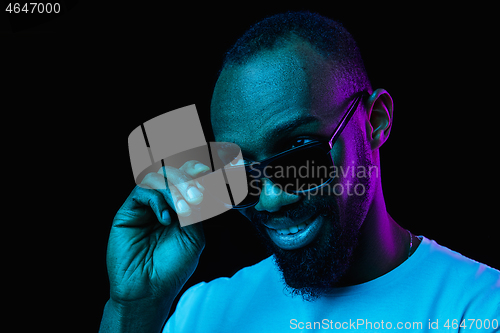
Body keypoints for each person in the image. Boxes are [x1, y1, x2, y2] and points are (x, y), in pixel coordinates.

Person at [99, 11, 500, 333]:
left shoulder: (477, 308)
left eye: (298, 153)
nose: (272, 199)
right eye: (240, 174)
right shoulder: (202, 312)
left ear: (375, 121)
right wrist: (134, 308)